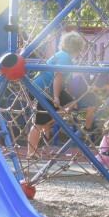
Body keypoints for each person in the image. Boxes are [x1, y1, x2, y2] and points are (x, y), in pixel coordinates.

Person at [27, 31, 84, 159]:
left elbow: (65, 79)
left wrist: (68, 95)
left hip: (50, 90)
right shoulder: (64, 57)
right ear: (77, 48)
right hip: (40, 90)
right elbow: (58, 76)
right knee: (37, 124)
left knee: (71, 104)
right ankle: (31, 152)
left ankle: (47, 124)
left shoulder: (66, 58)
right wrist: (57, 97)